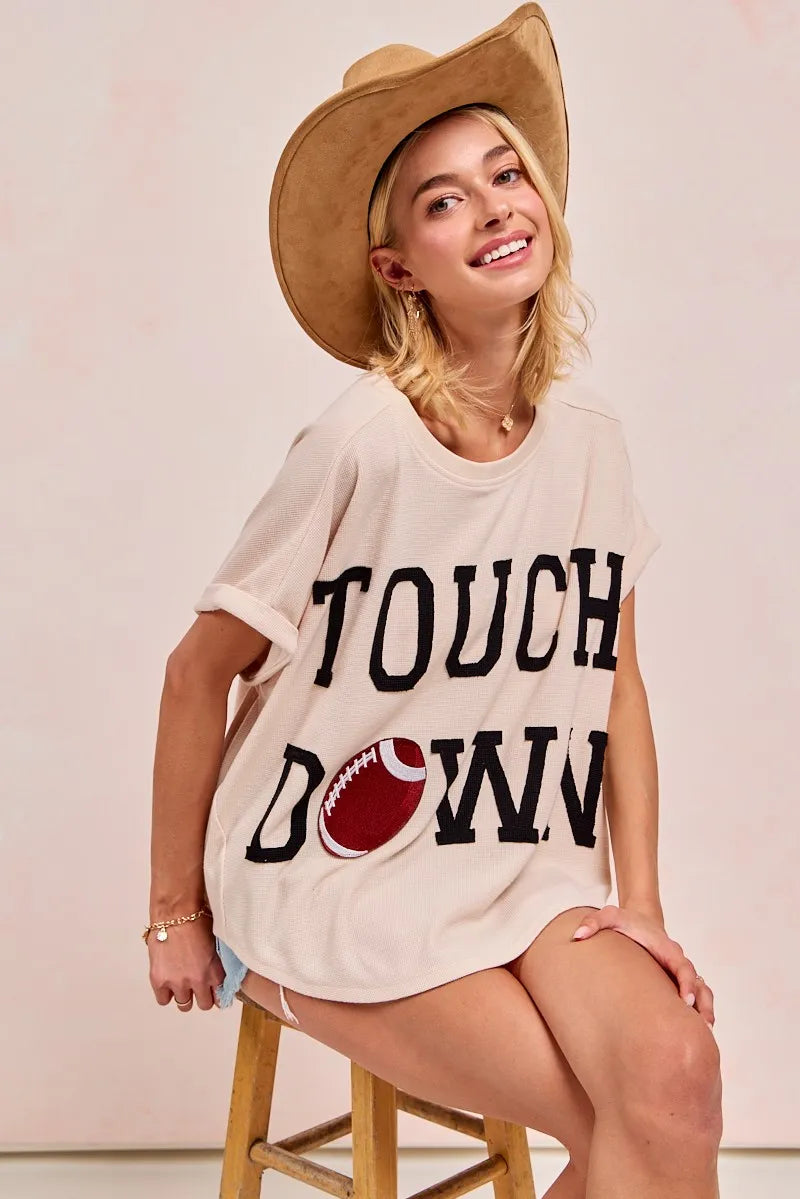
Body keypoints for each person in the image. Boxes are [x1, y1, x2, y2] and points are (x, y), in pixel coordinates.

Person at [145, 5, 722, 1196]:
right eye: (444, 196)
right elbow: (198, 670)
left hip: (515, 857)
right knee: (622, 1119)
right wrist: (172, 913)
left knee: (674, 1078)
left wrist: (642, 904)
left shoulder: (589, 445)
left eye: (504, 172)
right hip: (326, 870)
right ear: (396, 264)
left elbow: (611, 677)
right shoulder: (358, 446)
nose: (496, 204)